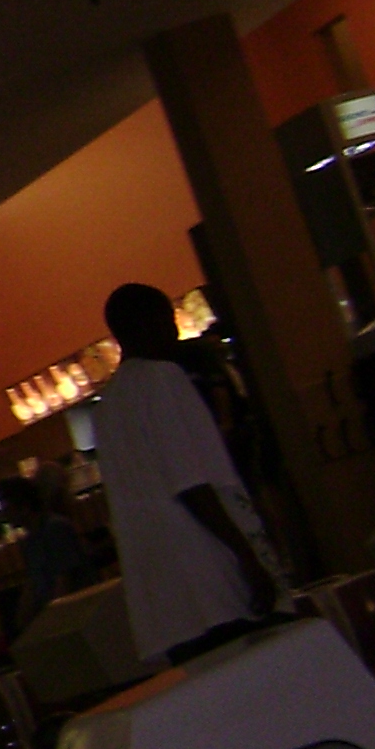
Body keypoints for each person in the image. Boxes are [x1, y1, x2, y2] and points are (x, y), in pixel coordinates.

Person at [94, 283, 285, 664]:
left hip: (167, 600)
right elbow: (190, 482)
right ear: (149, 323)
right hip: (211, 579)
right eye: (167, 320)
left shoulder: (108, 405)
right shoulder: (162, 378)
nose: (174, 332)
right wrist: (248, 558)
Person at [0, 474, 91, 633]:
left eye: (7, 509)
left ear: (24, 507)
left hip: (76, 615)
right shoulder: (32, 540)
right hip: (60, 615)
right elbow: (33, 583)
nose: (4, 515)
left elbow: (64, 580)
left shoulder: (54, 529)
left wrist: (54, 620)